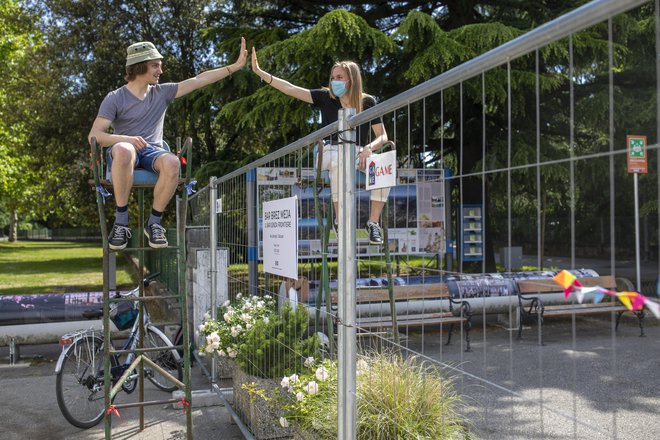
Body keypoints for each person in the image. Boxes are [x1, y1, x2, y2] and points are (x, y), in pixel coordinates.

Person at [89, 38, 247, 250]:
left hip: (153, 151)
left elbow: (199, 80)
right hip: (123, 152)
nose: (160, 71)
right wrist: (126, 139)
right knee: (125, 150)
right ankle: (121, 222)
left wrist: (234, 67)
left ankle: (154, 223)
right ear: (140, 66)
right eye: (155, 65)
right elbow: (95, 135)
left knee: (173, 162)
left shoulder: (162, 92)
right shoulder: (115, 98)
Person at [251, 49, 390, 244]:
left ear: (352, 79)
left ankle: (373, 223)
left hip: (357, 151)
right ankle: (339, 220)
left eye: (340, 77)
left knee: (385, 165)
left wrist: (369, 149)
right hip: (329, 150)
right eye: (333, 77)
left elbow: (382, 136)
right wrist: (260, 72)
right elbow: (292, 89)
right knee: (338, 160)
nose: (335, 81)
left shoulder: (367, 102)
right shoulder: (327, 98)